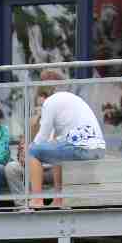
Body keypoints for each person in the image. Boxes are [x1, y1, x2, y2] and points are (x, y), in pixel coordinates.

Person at [15, 70, 105, 210]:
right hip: (97, 149)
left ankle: (37, 200)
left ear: (43, 97)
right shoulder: (70, 99)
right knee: (56, 152)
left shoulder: (50, 103)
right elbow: (52, 141)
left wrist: (29, 147)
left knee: (32, 151)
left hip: (81, 147)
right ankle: (59, 199)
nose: (40, 110)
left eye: (40, 106)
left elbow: (42, 137)